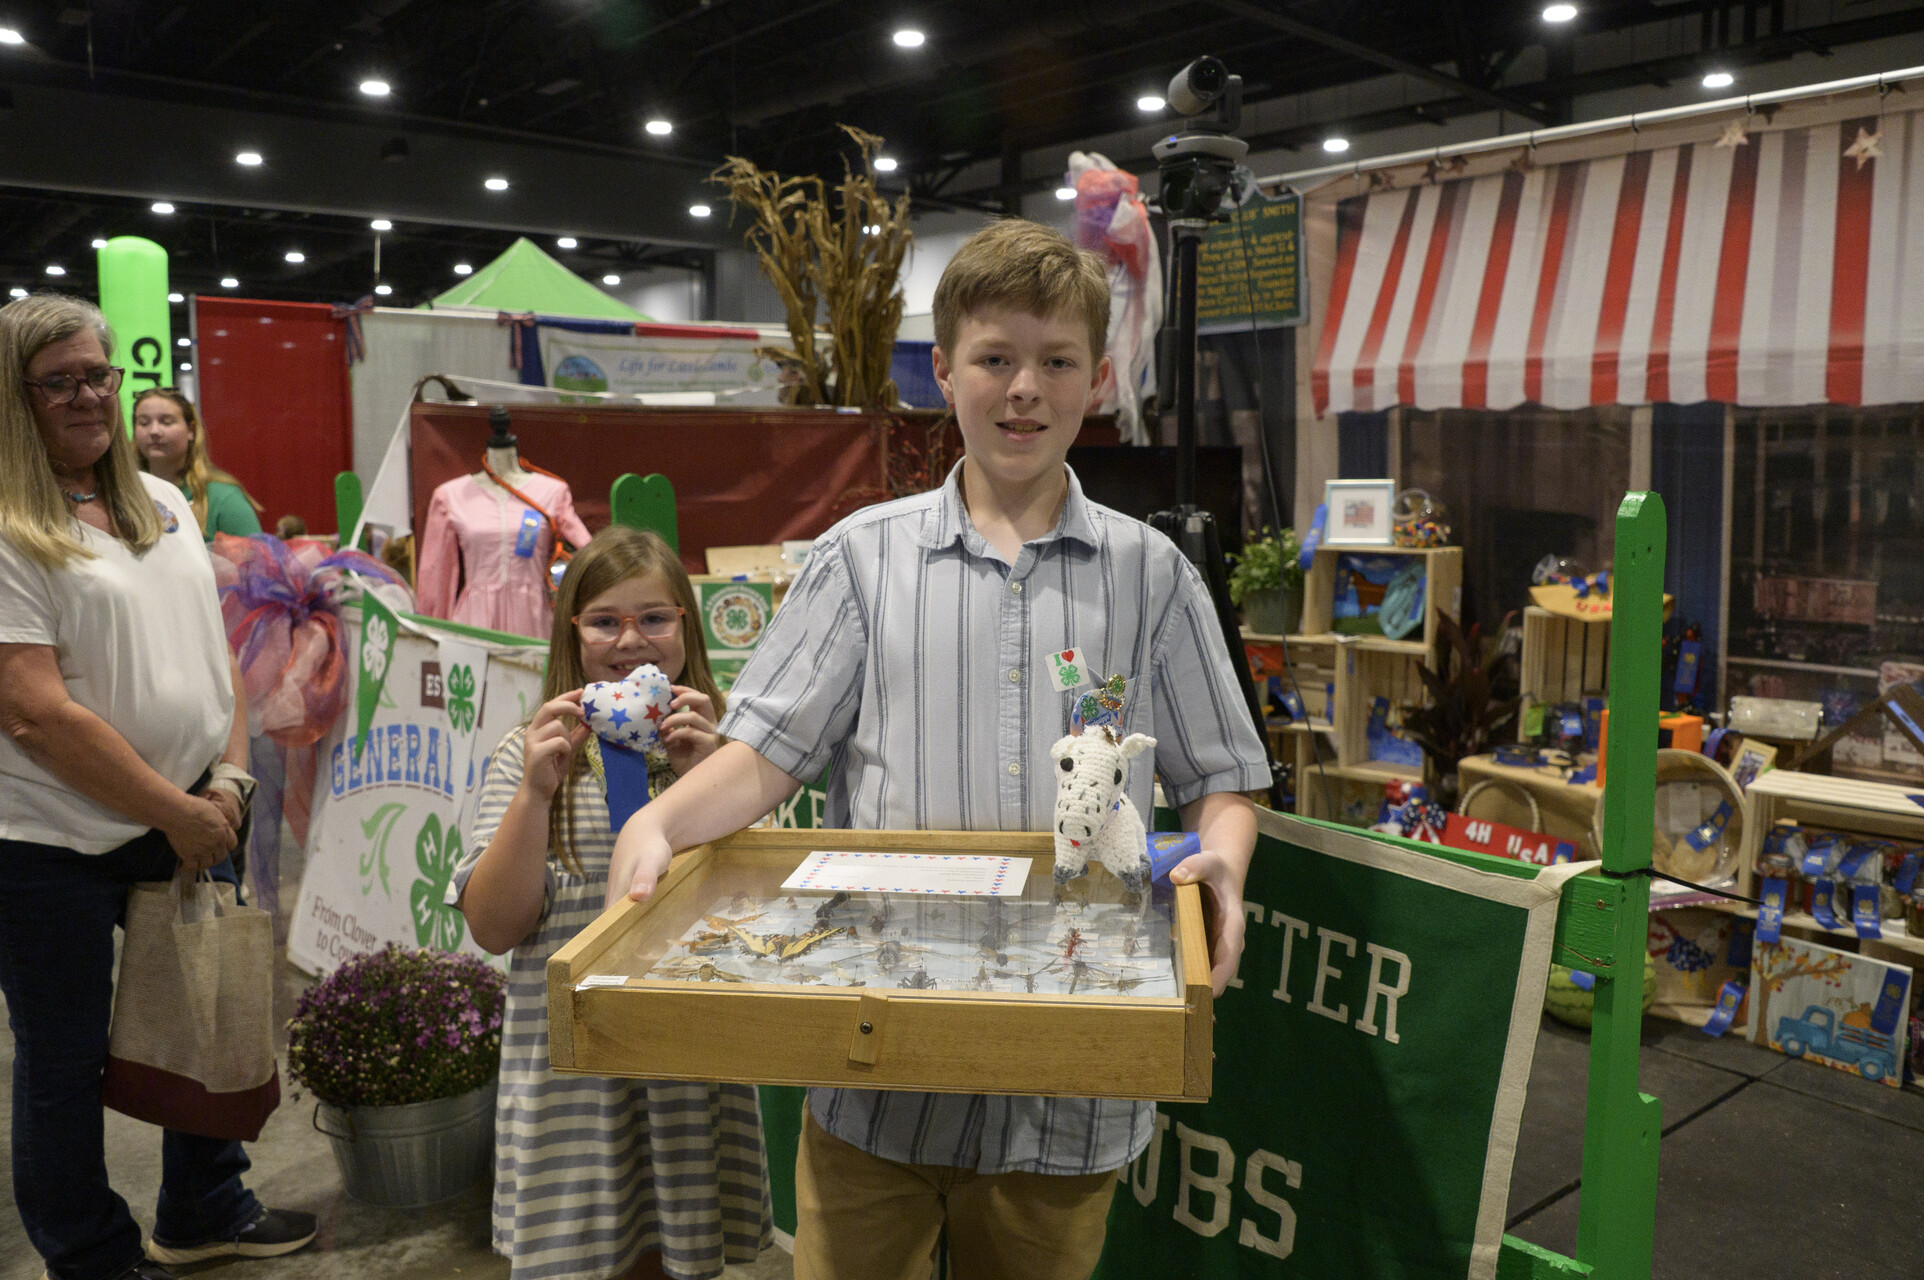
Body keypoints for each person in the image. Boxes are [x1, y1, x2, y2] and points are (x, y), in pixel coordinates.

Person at [607, 219, 1268, 1280]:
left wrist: (1223, 865)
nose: (1023, 389)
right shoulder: (859, 558)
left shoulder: (1153, 575)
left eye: (1054, 361)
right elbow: (769, 752)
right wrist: (657, 819)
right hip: (877, 1078)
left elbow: (1221, 778)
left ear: (1095, 379)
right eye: (994, 358)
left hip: (1069, 1090)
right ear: (943, 372)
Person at [0, 294, 316, 1280]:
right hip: (49, 838)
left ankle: (203, 1203)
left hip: (196, 807)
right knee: (62, 1062)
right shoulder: (10, 526)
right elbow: (34, 710)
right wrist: (176, 809)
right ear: (17, 398)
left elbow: (208, 655)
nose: (89, 395)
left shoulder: (165, 499)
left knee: (207, 1013)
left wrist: (222, 781)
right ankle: (88, 1252)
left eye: (99, 374)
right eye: (60, 381)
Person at [451, 524, 771, 1280]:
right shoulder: (525, 758)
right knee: (586, 1257)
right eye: (605, 622)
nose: (632, 641)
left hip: (689, 1067)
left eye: (654, 618)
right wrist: (535, 792)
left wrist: (708, 780)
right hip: (574, 1078)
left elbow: (755, 917)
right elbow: (495, 927)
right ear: (573, 636)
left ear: (686, 629)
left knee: (685, 1254)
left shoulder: (730, 755)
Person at [132, 387, 263, 541]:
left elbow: (258, 563)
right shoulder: (125, 494)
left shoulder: (223, 498)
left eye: (166, 422)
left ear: (191, 430)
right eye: (144, 423)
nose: (154, 431)